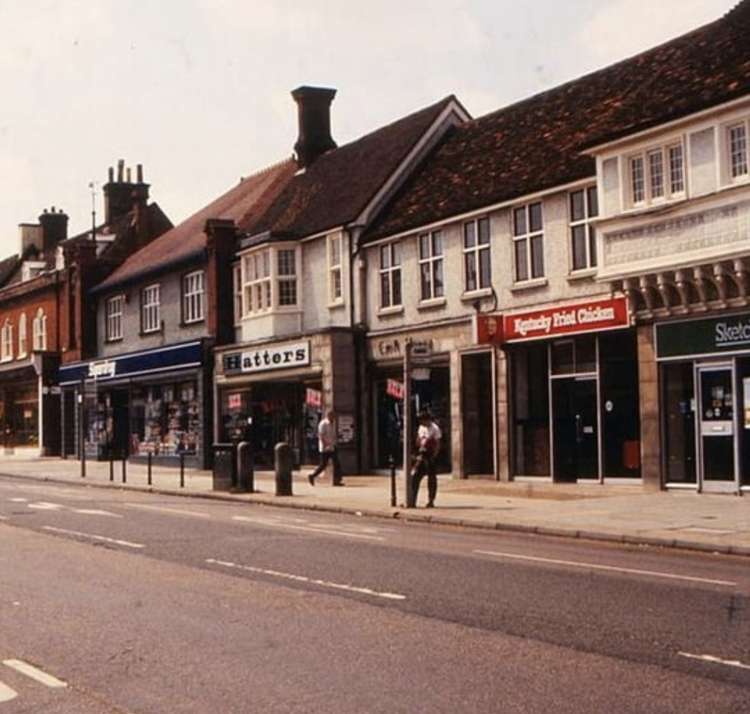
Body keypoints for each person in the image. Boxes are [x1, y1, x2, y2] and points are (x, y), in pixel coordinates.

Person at [411, 409, 441, 507]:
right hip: (422, 455)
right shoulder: (421, 428)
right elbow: (418, 440)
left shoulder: (435, 428)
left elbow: (437, 444)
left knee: (431, 479)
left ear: (427, 420)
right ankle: (412, 500)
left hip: (430, 456)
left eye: (422, 420)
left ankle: (431, 500)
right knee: (415, 477)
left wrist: (434, 456)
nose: (421, 423)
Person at [308, 410, 344, 486]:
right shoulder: (323, 424)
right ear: (328, 416)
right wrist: (325, 445)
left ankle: (337, 480)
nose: (333, 418)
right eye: (332, 416)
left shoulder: (333, 423)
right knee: (323, 465)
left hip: (332, 446)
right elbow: (321, 435)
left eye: (334, 417)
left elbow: (333, 434)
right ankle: (312, 476)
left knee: (336, 463)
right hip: (325, 448)